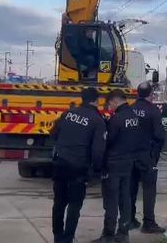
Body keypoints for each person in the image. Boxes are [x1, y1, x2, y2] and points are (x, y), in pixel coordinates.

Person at [50, 87, 106, 243]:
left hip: (60, 162)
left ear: (82, 98)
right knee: (74, 205)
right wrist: (97, 170)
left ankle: (57, 236)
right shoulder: (97, 120)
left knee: (59, 202)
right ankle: (68, 238)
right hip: (78, 167)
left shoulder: (68, 113)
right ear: (97, 100)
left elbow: (53, 133)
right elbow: (97, 150)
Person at [126, 82, 166, 234]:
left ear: (137, 93)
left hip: (130, 155)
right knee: (149, 189)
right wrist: (155, 156)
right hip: (146, 155)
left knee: (130, 188)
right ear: (151, 94)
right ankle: (148, 223)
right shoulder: (153, 111)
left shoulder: (129, 109)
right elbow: (160, 136)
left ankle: (129, 219)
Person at [97, 90, 136, 243]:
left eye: (110, 104)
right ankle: (123, 232)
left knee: (111, 200)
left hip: (113, 163)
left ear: (114, 101)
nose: (110, 107)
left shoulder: (117, 119)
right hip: (128, 162)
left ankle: (108, 235)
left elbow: (108, 141)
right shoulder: (134, 117)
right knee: (124, 198)